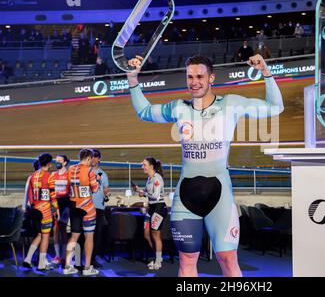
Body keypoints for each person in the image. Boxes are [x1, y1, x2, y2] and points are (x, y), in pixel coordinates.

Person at [127, 53, 284, 277]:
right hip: (186, 196)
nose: (194, 82)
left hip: (220, 195)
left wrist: (266, 73)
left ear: (212, 78)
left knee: (228, 260)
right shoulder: (178, 107)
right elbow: (144, 112)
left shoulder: (231, 104)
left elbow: (275, 107)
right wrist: (132, 79)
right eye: (190, 76)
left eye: (200, 76)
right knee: (187, 262)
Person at [63, 149, 99, 276]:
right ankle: (87, 268)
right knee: (89, 237)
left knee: (73, 236)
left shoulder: (71, 169)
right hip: (87, 208)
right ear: (88, 158)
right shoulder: (90, 171)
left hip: (74, 206)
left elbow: (67, 187)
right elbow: (95, 189)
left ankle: (68, 266)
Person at [23, 153, 59, 271]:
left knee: (39, 234)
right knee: (45, 236)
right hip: (46, 211)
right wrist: (56, 209)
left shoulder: (32, 176)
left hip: (35, 209)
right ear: (49, 164)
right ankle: (42, 264)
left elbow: (30, 195)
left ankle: (28, 259)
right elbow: (52, 195)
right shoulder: (50, 176)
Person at [133, 157, 167, 270]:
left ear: (151, 166)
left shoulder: (157, 178)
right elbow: (147, 193)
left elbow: (155, 196)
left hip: (158, 207)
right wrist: (139, 191)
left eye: (144, 165)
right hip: (151, 208)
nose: (142, 167)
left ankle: (158, 260)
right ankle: (158, 256)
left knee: (155, 234)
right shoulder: (149, 178)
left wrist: (144, 194)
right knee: (146, 234)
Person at [50, 154, 71, 265]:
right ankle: (57, 255)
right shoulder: (53, 174)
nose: (57, 162)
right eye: (56, 160)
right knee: (55, 230)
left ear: (65, 163)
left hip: (66, 203)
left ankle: (64, 256)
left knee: (62, 228)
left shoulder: (69, 174)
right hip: (55, 203)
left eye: (59, 161)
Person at [90, 149, 110, 269]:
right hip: (86, 207)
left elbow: (106, 190)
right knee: (84, 233)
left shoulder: (103, 174)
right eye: (91, 157)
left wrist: (106, 195)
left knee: (97, 234)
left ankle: (92, 258)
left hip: (98, 207)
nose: (93, 159)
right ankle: (83, 257)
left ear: (99, 159)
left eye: (95, 157)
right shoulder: (85, 172)